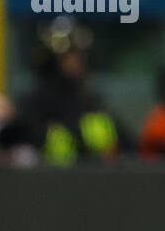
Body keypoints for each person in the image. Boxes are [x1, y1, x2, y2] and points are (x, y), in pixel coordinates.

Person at [15, 16, 130, 165]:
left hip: (94, 180)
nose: (77, 60)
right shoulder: (32, 104)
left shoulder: (91, 101)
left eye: (79, 53)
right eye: (69, 53)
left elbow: (126, 143)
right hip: (47, 181)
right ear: (51, 59)